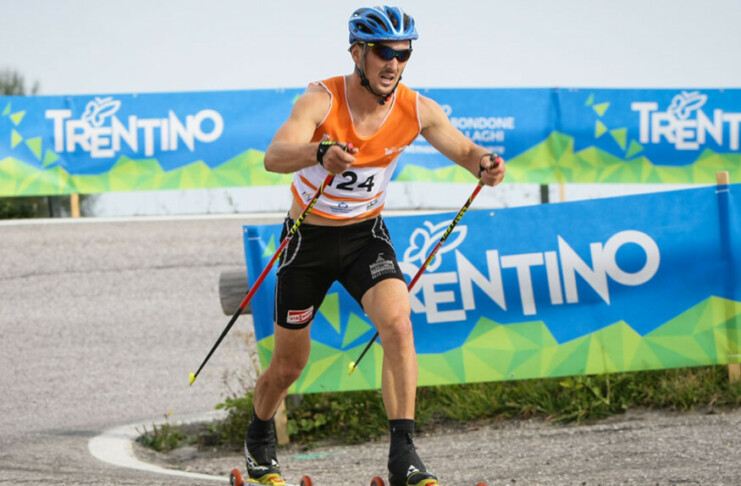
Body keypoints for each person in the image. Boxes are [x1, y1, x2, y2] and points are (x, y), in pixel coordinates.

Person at [245, 5, 505, 486]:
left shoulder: (417, 108)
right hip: (308, 239)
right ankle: (259, 436)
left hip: (365, 237)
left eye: (404, 53)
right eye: (384, 52)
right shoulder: (321, 99)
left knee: (399, 325)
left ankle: (404, 456)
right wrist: (319, 151)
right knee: (289, 365)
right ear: (357, 53)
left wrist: (487, 164)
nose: (394, 63)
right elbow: (273, 157)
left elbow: (468, 151)